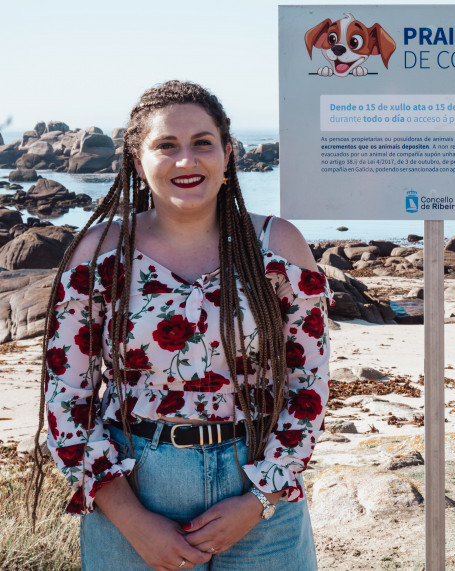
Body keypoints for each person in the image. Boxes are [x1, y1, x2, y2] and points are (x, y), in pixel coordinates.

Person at [34, 80, 330, 570]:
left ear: (228, 154)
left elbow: (308, 386)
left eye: (202, 143)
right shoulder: (100, 253)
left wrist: (260, 500)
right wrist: (133, 521)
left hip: (259, 482)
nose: (186, 160)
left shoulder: (279, 246)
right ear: (136, 160)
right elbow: (67, 398)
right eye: (166, 146)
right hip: (134, 483)